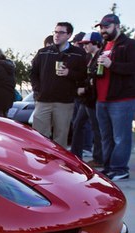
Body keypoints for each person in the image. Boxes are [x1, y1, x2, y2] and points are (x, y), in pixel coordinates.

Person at [30, 22, 87, 149]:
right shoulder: (43, 52)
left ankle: (58, 165)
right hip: (43, 100)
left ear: (69, 35)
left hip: (64, 102)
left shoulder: (78, 53)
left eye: (61, 32)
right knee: (39, 136)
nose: (57, 35)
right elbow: (33, 73)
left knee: (60, 137)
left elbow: (83, 75)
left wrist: (69, 73)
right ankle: (39, 163)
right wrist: (38, 90)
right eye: (55, 32)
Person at [95, 14, 135, 181]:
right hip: (102, 99)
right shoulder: (105, 45)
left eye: (107, 27)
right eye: (101, 27)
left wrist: (112, 65)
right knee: (107, 137)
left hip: (121, 100)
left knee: (121, 137)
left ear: (117, 26)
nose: (103, 30)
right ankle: (109, 167)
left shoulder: (130, 45)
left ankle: (120, 169)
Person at [71, 32, 104, 166]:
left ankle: (99, 158)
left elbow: (97, 79)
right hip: (88, 99)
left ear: (95, 43)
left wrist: (85, 89)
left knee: (96, 129)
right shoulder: (90, 58)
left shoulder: (100, 57)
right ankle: (75, 154)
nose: (84, 47)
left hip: (93, 99)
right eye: (83, 44)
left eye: (86, 44)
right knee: (78, 125)